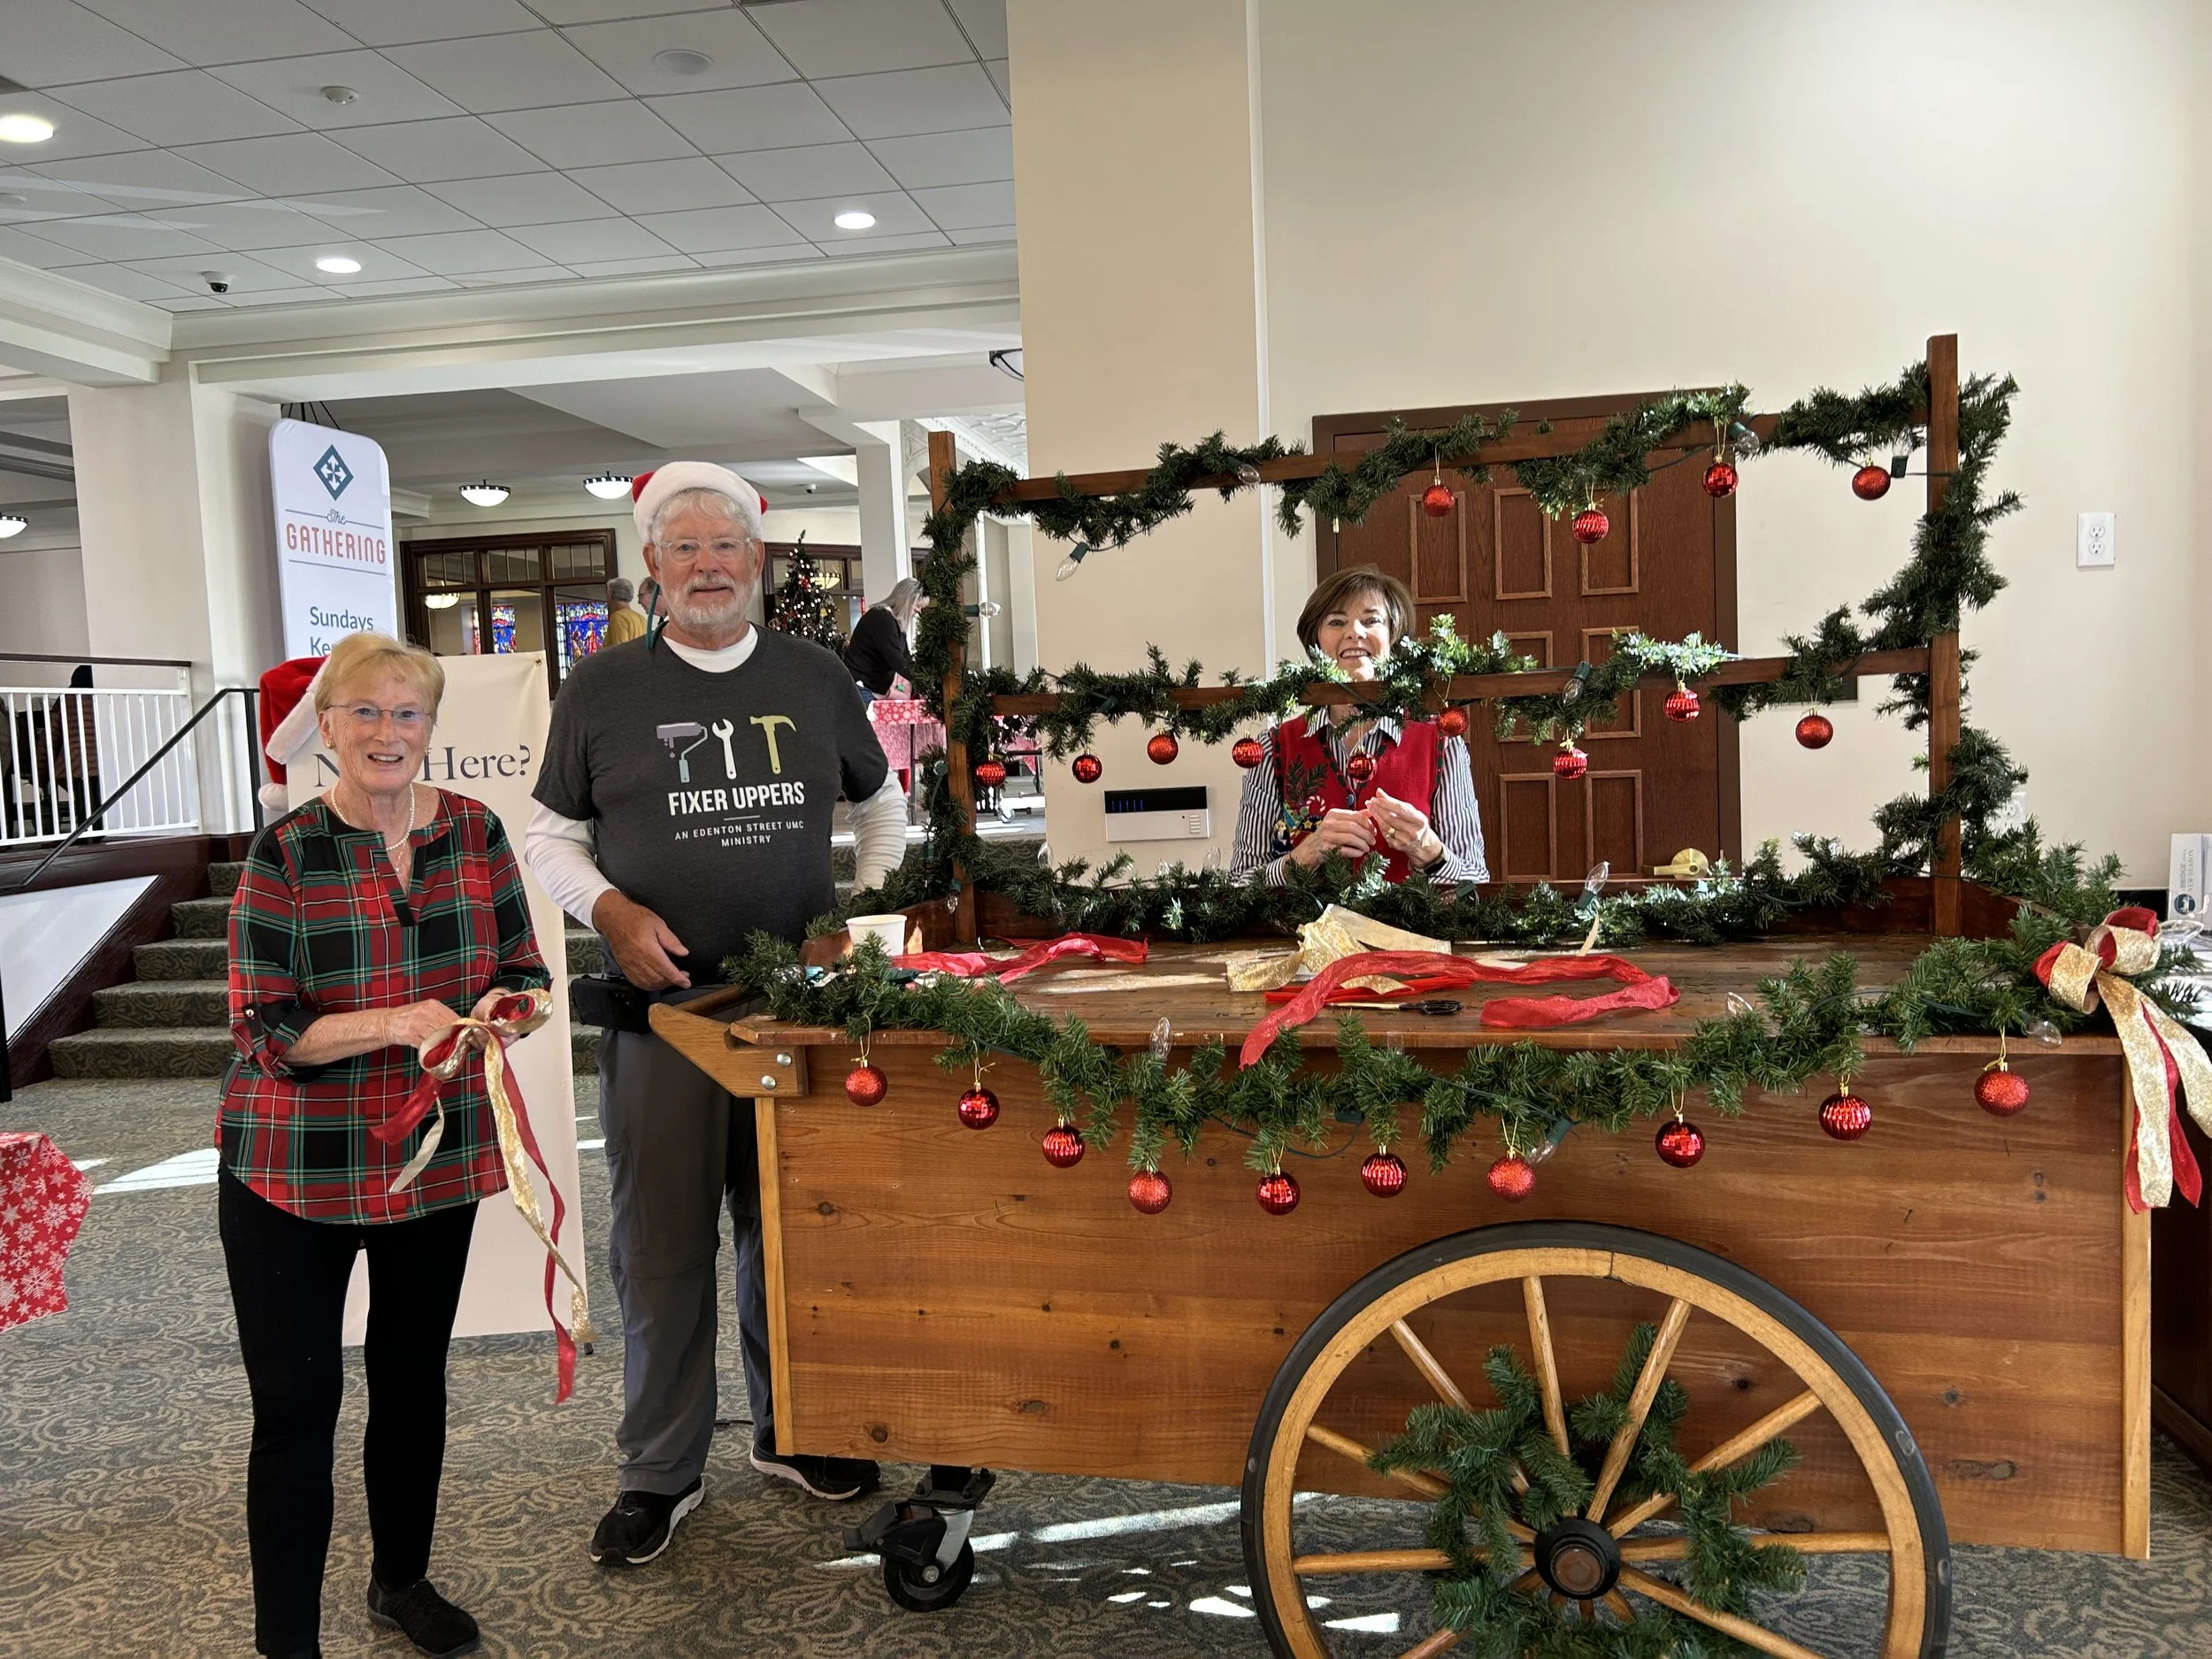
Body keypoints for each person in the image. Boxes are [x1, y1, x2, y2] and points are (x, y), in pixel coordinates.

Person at [526, 462, 910, 1569]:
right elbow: (549, 833)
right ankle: (659, 1468)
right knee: (662, 1248)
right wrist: (606, 907)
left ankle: (796, 1431)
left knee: (793, 1236)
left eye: (725, 546)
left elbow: (880, 803)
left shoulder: (814, 675)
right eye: (683, 548)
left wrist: (869, 912)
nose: (706, 566)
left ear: (756, 560)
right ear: (652, 567)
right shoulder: (600, 690)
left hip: (800, 1017)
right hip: (665, 1020)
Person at [220, 631, 550, 1659]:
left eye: (407, 713)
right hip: (293, 1169)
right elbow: (263, 1029)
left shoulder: (475, 830)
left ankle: (400, 1580)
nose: (386, 731)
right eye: (364, 712)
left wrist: (505, 1010)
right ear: (326, 728)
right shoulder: (287, 850)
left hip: (431, 1164)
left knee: (412, 1388)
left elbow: (528, 971)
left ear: (431, 729)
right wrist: (392, 1022)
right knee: (295, 1410)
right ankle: (287, 1642)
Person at [1230, 566, 1489, 886]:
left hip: (1409, 935)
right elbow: (1240, 882)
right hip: (1301, 935)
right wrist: (1303, 856)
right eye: (1336, 621)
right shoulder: (1273, 747)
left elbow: (1474, 879)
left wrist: (1429, 850)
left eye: (1371, 620)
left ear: (1394, 638)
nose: (1354, 632)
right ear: (1316, 641)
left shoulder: (1441, 743)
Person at [845, 576, 922, 705]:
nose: (919, 611)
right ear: (907, 601)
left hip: (870, 687)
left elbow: (905, 657)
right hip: (862, 685)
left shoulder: (894, 621)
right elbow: (896, 659)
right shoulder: (882, 619)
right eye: (917, 606)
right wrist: (922, 680)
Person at [603, 576, 645, 648]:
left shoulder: (618, 617)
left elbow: (620, 651)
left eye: (606, 593)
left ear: (610, 595)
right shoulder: (641, 618)